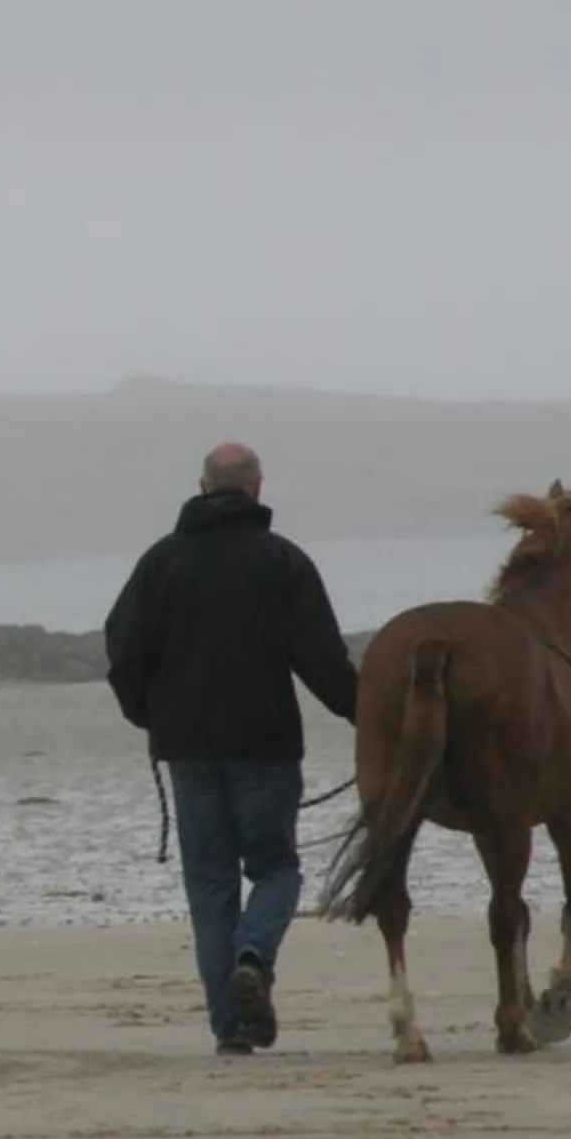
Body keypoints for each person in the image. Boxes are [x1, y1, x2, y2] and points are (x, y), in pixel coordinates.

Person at [104, 442, 361, 1054]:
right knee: (276, 868)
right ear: (257, 488)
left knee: (210, 884)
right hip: (266, 745)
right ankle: (254, 955)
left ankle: (231, 1027)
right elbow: (323, 659)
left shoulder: (160, 562)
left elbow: (123, 647)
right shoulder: (282, 561)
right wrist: (368, 715)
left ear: (202, 486)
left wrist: (149, 716)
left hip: (188, 749)